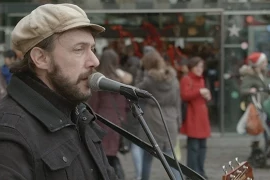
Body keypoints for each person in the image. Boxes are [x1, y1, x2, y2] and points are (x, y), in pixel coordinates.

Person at [0, 4, 119, 180]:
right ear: (41, 58)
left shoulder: (77, 112)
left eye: (92, 49)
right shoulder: (8, 133)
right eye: (79, 49)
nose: (94, 61)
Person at [135, 50, 182, 180]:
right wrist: (179, 121)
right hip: (171, 119)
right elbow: (178, 101)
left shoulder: (149, 80)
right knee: (172, 160)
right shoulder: (173, 78)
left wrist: (140, 71)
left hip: (153, 119)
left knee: (147, 156)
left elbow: (135, 91)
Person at [88, 49, 132, 180]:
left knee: (102, 157)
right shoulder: (121, 80)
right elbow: (128, 105)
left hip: (101, 121)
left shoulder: (98, 81)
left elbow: (92, 105)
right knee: (111, 156)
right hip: (117, 122)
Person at [240, 52, 270, 163]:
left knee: (267, 128)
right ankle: (258, 151)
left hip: (265, 105)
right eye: (264, 62)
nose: (266, 64)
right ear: (259, 63)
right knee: (257, 129)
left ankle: (268, 149)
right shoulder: (250, 75)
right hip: (256, 105)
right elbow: (243, 90)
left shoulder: (264, 74)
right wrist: (251, 90)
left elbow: (266, 86)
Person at [180, 57, 211, 179]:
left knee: (203, 147)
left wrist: (207, 96)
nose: (200, 69)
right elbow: (184, 95)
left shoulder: (202, 80)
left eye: (201, 67)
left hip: (202, 117)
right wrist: (200, 92)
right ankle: (192, 174)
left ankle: (200, 172)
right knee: (193, 147)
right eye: (197, 66)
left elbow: (203, 96)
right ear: (191, 67)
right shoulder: (186, 79)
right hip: (192, 117)